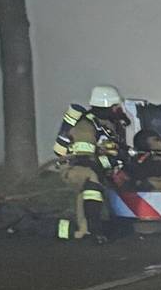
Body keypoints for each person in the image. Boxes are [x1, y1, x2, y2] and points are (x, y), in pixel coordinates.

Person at [52, 85, 131, 242]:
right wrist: (111, 159)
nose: (118, 109)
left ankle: (85, 229)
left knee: (96, 182)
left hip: (95, 168)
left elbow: (108, 151)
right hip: (74, 169)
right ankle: (95, 229)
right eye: (115, 106)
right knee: (91, 176)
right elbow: (84, 159)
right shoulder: (85, 126)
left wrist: (121, 156)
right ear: (106, 106)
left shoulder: (108, 125)